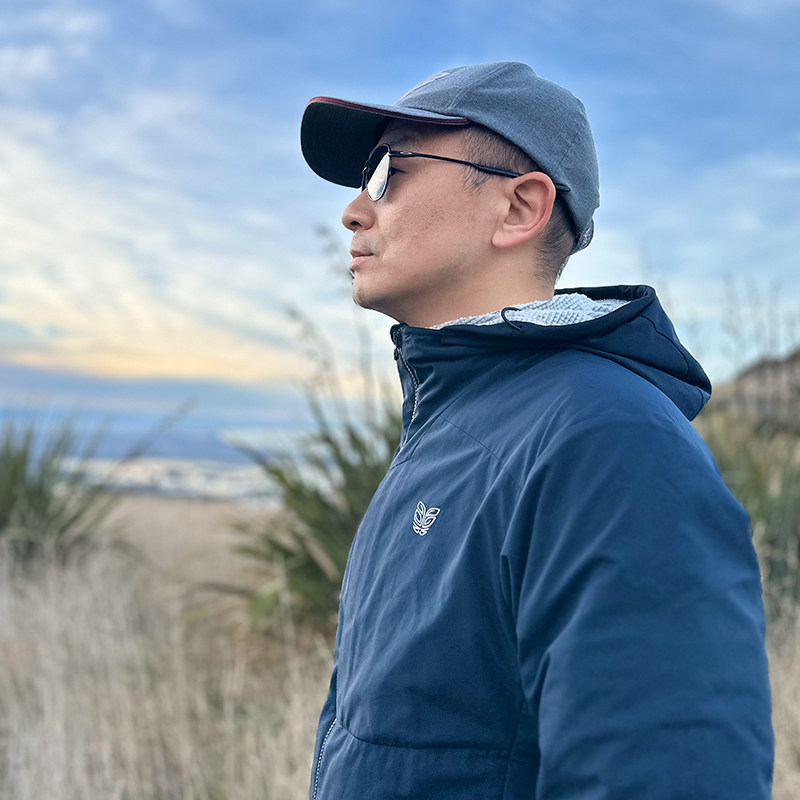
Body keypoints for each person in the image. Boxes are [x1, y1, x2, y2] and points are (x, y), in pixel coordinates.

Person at [299, 61, 773, 799]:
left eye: (391, 173)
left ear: (520, 209)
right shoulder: (450, 431)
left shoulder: (609, 441)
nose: (354, 212)